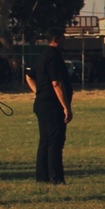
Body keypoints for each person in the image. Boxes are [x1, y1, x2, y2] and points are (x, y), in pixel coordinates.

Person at [27, 27, 73, 184]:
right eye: (63, 37)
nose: (65, 40)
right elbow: (57, 84)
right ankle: (56, 177)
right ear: (56, 38)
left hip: (41, 104)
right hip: (53, 106)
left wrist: (38, 92)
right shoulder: (54, 57)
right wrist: (66, 106)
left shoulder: (42, 56)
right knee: (55, 142)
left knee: (45, 141)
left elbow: (29, 77)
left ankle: (42, 176)